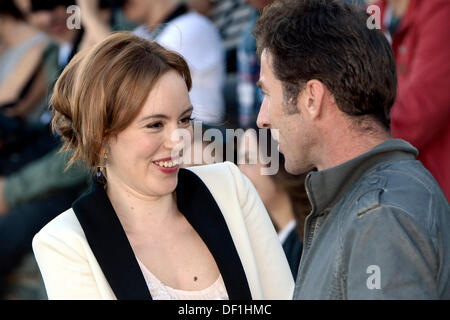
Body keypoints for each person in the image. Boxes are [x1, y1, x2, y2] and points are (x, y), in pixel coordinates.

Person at [32, 32, 294, 300]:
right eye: (155, 124)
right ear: (101, 136)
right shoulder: (65, 241)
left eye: (184, 119)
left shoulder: (231, 188)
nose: (178, 140)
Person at [254, 0, 450, 299]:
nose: (262, 118)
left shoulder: (379, 218)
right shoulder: (366, 205)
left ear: (311, 98)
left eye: (268, 94)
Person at [78, 0, 225, 126]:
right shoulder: (141, 34)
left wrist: (91, 17)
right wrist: (98, 17)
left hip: (196, 134)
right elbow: (82, 75)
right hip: (157, 133)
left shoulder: (191, 25)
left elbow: (132, 78)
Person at [373, 0, 450, 201]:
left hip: (433, 190)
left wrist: (356, 141)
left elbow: (419, 111)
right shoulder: (374, 13)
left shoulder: (440, 9)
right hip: (391, 186)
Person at [237, 129, 310, 278]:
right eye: (238, 163)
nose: (239, 172)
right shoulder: (265, 243)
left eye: (249, 160)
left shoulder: (308, 244)